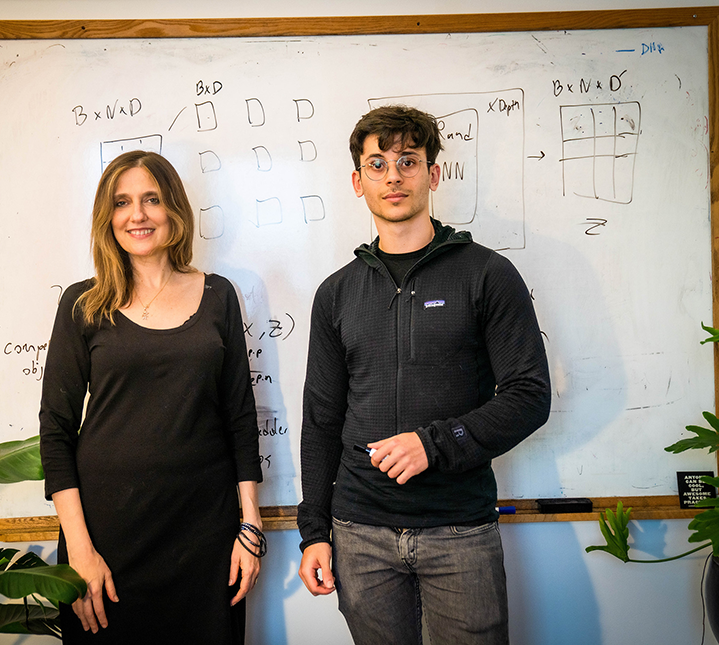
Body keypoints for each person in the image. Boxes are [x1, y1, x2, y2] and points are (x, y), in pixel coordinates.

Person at [297, 105, 551, 645]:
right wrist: (314, 532)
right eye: (377, 164)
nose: (393, 176)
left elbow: (530, 396)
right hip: (358, 534)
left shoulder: (487, 274)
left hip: (459, 531)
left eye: (408, 160)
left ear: (433, 174)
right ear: (357, 181)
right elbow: (321, 419)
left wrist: (433, 445)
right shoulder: (336, 294)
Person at [39, 150, 265, 644]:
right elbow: (55, 433)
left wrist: (250, 527)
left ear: (174, 211)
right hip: (104, 541)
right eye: (122, 202)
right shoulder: (83, 303)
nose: (137, 214)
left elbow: (240, 419)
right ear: (108, 217)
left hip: (206, 539)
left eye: (151, 199)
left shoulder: (219, 295)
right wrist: (79, 552)